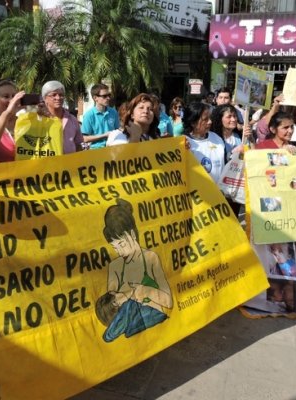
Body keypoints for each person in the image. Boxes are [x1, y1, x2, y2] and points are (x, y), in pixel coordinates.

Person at [97, 198, 172, 342]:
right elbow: (111, 308)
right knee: (128, 308)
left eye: (121, 244)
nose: (119, 252)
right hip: (131, 328)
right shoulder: (115, 267)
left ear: (131, 235)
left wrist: (138, 291)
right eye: (115, 248)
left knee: (130, 305)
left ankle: (112, 333)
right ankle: (113, 333)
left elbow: (168, 301)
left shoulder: (150, 258)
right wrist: (123, 298)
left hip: (155, 324)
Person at [183, 102, 226, 183]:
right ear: (193, 123)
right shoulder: (184, 143)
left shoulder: (217, 139)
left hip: (218, 193)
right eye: (205, 119)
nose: (210, 122)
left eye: (210, 118)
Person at [41, 80, 83, 154]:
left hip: (70, 163)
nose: (58, 98)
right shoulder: (39, 119)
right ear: (45, 98)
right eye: (54, 95)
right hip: (47, 163)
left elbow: (78, 144)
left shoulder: (72, 119)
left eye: (61, 95)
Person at [81, 83, 119, 149]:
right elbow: (84, 138)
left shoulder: (113, 112)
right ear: (95, 98)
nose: (108, 98)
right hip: (96, 151)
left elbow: (117, 130)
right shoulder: (89, 115)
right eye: (104, 96)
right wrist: (104, 135)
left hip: (113, 149)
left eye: (109, 95)